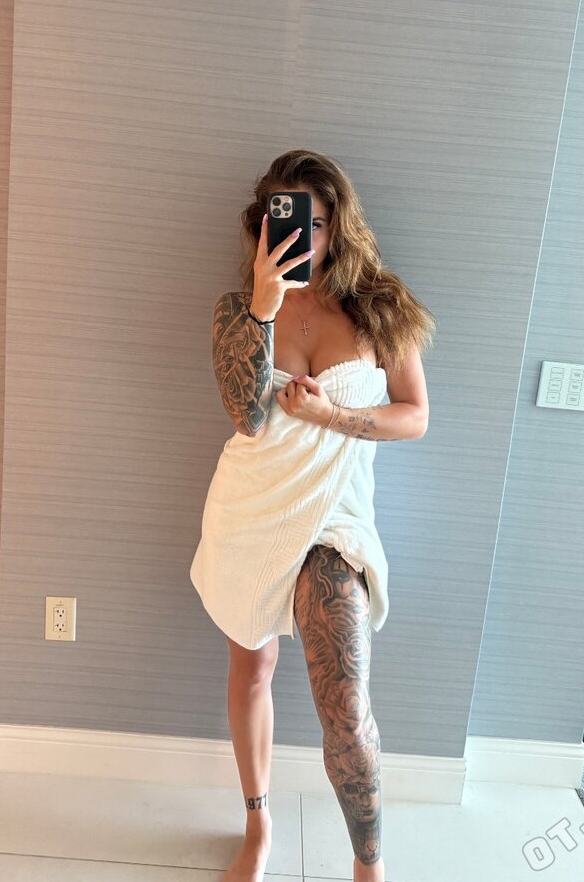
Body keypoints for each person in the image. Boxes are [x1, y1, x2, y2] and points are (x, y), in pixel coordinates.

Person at [190, 149, 436, 882]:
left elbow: (415, 415)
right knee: (253, 668)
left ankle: (369, 864)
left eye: (315, 222)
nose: (302, 235)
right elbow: (246, 416)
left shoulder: (381, 306)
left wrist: (333, 416)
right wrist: (263, 308)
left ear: (338, 225)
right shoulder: (237, 310)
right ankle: (258, 823)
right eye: (285, 218)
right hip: (250, 509)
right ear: (262, 223)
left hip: (335, 519)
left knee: (346, 706)